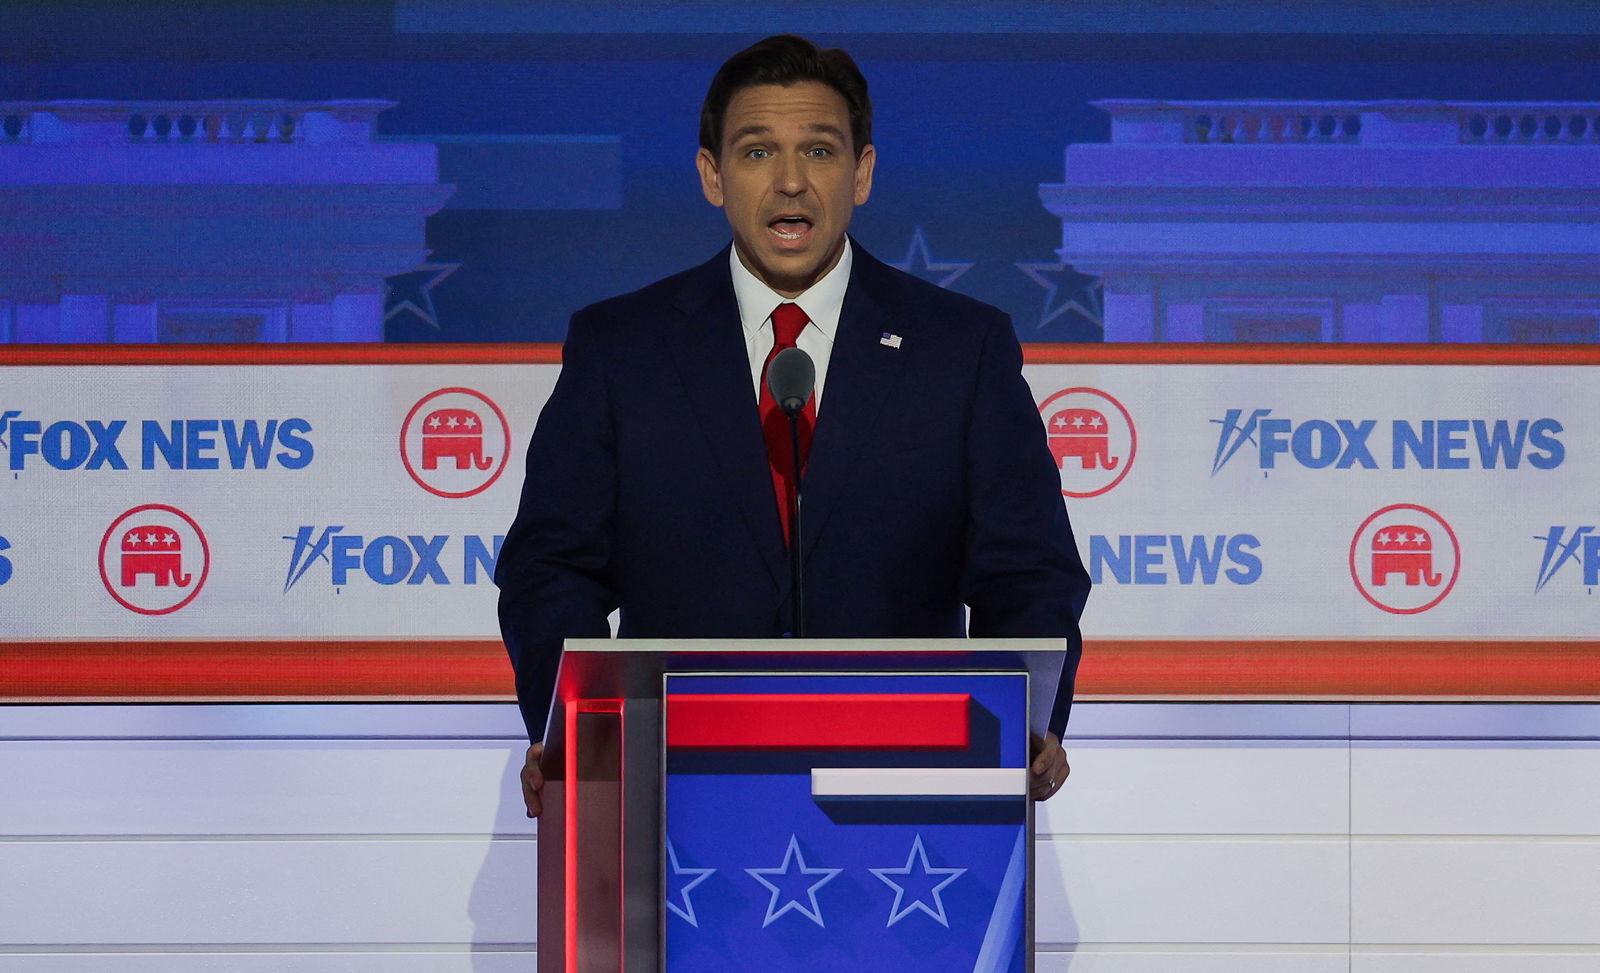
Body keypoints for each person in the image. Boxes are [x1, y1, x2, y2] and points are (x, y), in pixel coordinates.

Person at [496, 34, 1090, 817]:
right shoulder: (623, 349)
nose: (789, 182)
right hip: (674, 790)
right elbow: (550, 568)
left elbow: (1029, 574)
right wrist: (579, 728)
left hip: (909, 797)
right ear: (712, 176)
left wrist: (1024, 719)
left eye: (818, 149)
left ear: (863, 172)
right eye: (754, 152)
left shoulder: (960, 348)